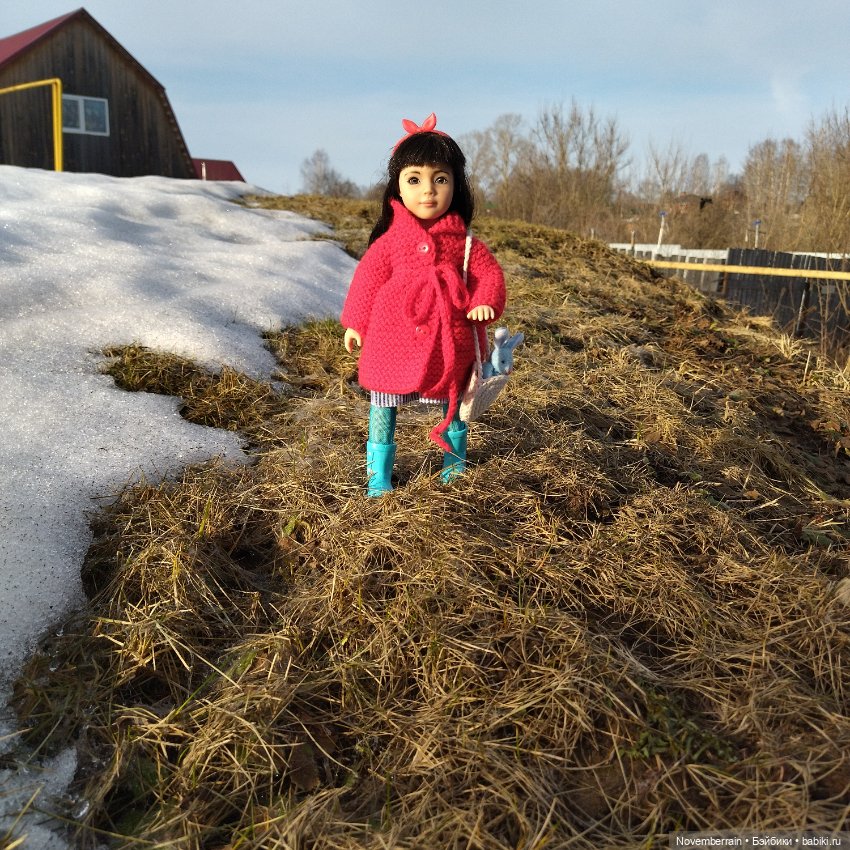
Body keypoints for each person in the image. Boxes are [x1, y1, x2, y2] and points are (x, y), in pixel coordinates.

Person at [341, 113, 506, 496]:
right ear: (397, 187)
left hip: (449, 344)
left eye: (440, 179)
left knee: (456, 404)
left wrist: (484, 300)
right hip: (390, 342)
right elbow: (367, 280)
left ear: (456, 185)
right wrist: (356, 323)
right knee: (383, 405)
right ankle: (378, 476)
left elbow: (489, 276)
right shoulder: (390, 242)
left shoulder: (465, 244)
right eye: (414, 179)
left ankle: (454, 467)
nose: (427, 190)